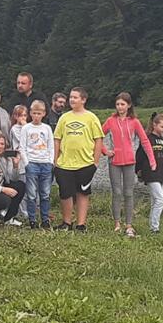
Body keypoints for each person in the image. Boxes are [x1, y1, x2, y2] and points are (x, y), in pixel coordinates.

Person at [103, 92, 156, 239]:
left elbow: (144, 141)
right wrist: (105, 151)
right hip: (114, 161)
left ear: (129, 105)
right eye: (118, 104)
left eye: (123, 104)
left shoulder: (134, 122)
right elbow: (98, 136)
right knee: (117, 192)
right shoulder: (110, 120)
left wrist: (152, 160)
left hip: (130, 161)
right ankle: (117, 223)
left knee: (128, 193)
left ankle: (129, 224)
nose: (120, 107)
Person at [55, 87, 106, 232]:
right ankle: (66, 222)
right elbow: (57, 139)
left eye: (75, 97)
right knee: (65, 194)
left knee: (83, 193)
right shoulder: (64, 118)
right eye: (70, 97)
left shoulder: (91, 118)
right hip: (65, 163)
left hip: (85, 163)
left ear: (83, 100)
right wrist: (55, 160)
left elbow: (98, 140)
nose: (72, 100)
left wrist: (95, 162)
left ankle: (81, 224)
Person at [17, 100, 56, 229]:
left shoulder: (47, 128)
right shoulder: (26, 128)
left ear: (44, 114)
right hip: (32, 163)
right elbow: (22, 147)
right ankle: (32, 218)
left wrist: (50, 162)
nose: (36, 116)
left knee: (45, 194)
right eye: (34, 113)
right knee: (32, 194)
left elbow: (51, 147)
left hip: (45, 163)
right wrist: (27, 163)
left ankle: (45, 219)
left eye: (39, 113)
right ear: (30, 113)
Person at [138, 112, 163, 234]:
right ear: (154, 125)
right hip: (151, 173)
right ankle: (155, 228)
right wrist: (138, 171)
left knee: (155, 201)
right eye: (162, 126)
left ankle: (152, 226)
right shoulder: (147, 139)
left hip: (161, 174)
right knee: (160, 200)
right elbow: (139, 156)